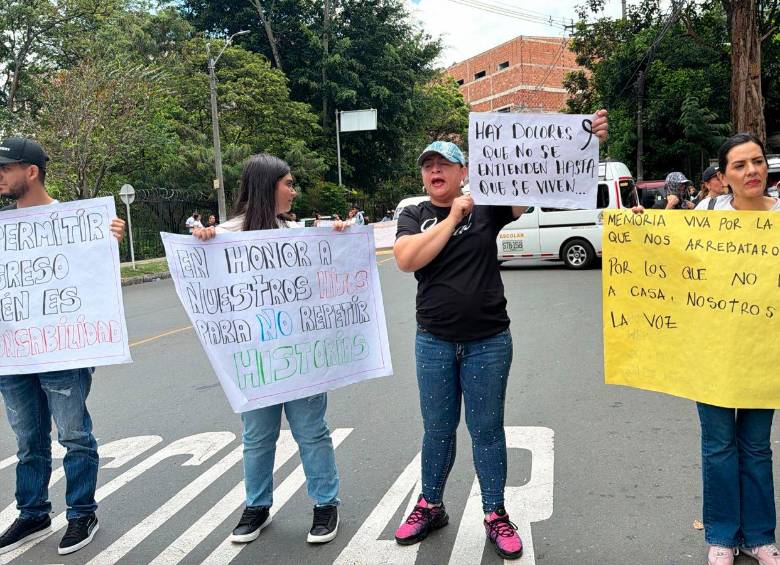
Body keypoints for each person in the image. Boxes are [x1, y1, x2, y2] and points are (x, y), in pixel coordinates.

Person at [392, 111, 609, 560]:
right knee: (437, 430)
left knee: (487, 430)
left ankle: (495, 513)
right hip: (433, 341)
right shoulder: (413, 213)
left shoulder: (490, 206)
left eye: (445, 164)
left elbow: (532, 180)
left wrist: (585, 141)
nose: (435, 171)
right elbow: (407, 260)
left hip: (488, 342)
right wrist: (452, 217)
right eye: (428, 165)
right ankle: (430, 505)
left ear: (463, 172)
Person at [632, 133, 780, 565]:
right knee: (718, 446)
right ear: (723, 176)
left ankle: (759, 537)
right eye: (740, 165)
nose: (751, 171)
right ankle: (721, 536)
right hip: (711, 351)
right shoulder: (707, 213)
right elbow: (675, 264)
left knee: (756, 447)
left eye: (757, 162)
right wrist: (645, 229)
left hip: (762, 352)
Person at [193, 153, 348, 546]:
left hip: (300, 355)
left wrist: (341, 235)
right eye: (288, 184)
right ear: (267, 186)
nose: (294, 191)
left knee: (312, 433)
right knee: (257, 437)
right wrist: (202, 244)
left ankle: (325, 504)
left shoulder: (298, 232)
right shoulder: (226, 234)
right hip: (255, 358)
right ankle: (256, 505)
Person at [0, 137, 125, 556]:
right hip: (13, 352)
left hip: (61, 352)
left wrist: (111, 239)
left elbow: (93, 276)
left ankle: (81, 512)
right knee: (27, 440)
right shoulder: (3, 228)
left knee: (74, 435)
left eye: (5, 169)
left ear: (30, 172)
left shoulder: (77, 221)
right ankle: (33, 512)